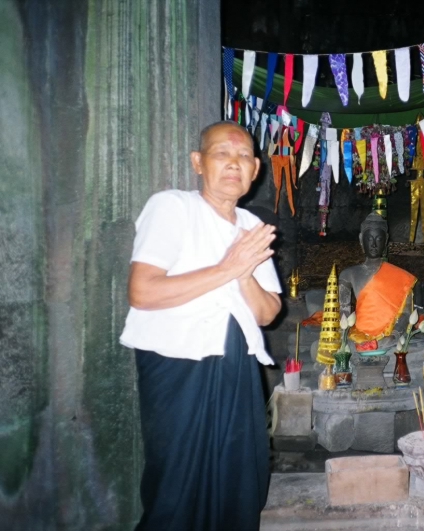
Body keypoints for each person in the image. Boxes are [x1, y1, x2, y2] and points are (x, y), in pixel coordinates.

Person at [119, 121, 282, 531]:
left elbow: (267, 314)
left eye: (244, 156)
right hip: (179, 365)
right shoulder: (172, 206)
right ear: (198, 161)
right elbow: (143, 292)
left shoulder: (252, 230)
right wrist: (228, 267)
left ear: (256, 169)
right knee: (177, 482)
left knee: (239, 478)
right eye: (222, 154)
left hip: (238, 366)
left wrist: (244, 274)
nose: (234, 164)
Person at [339, 212, 416, 346]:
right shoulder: (348, 274)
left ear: (386, 240)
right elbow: (343, 312)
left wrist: (394, 335)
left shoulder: (401, 276)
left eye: (379, 239)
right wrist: (345, 336)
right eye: (369, 239)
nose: (374, 244)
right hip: (357, 337)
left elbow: (406, 313)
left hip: (389, 337)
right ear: (361, 239)